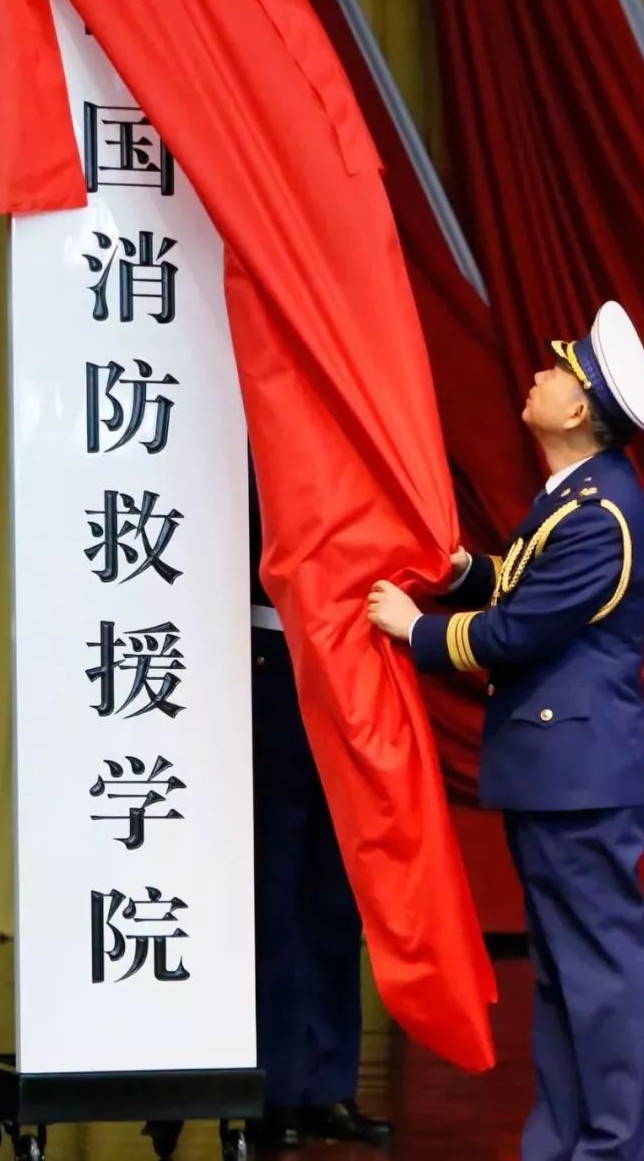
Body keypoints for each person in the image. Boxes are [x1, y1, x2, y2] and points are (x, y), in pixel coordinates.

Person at [368, 301, 644, 1161]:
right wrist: (470, 572)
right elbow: (526, 591)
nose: (540, 372)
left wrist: (416, 629)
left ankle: (611, 1147)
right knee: (567, 975)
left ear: (579, 411)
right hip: (562, 772)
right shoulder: (576, 498)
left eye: (559, 370)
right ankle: (568, 1140)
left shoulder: (598, 512)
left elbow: (519, 631)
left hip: (580, 778)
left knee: (600, 977)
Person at [249, 472, 393, 1151]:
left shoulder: (360, 426)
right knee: (273, 894)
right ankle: (273, 1085)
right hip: (268, 657)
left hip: (354, 664)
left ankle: (328, 1083)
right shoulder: (247, 428)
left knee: (336, 896)